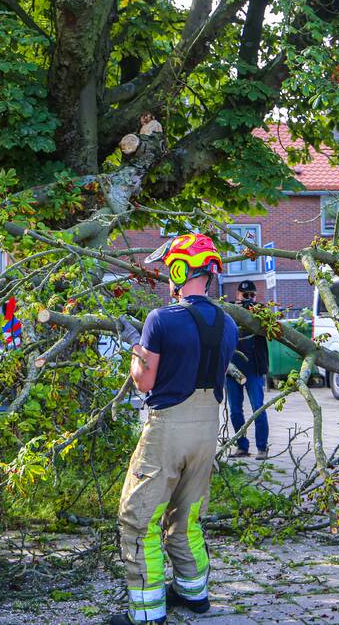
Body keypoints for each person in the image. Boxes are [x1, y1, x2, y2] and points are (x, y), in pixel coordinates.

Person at [111, 233, 238, 625]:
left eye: (171, 270)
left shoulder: (161, 319)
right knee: (186, 519)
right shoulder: (228, 323)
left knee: (138, 520)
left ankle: (147, 612)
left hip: (168, 428)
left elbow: (144, 381)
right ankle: (193, 593)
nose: (168, 277)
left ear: (181, 270)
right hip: (207, 429)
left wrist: (136, 345)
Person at [226, 280, 271, 460]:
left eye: (252, 295)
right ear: (238, 295)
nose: (249, 298)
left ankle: (262, 447)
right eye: (246, 295)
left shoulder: (260, 312)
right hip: (233, 368)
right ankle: (242, 446)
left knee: (258, 408)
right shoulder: (230, 310)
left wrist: (255, 310)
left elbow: (269, 328)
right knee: (235, 410)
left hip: (254, 368)